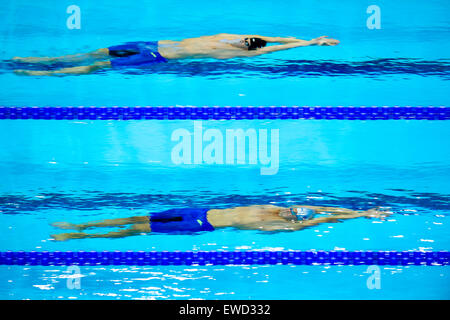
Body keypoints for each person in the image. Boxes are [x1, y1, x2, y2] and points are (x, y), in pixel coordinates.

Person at [13, 34, 339, 76]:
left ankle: (46, 72)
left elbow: (276, 47)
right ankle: (31, 61)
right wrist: (311, 38)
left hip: (155, 58)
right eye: (245, 39)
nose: (244, 41)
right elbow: (272, 38)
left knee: (99, 64)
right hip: (149, 44)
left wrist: (308, 46)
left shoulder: (230, 55)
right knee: (91, 52)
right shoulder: (227, 36)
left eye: (247, 44)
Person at [50, 204, 389, 241]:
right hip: (199, 209)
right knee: (136, 217)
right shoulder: (278, 207)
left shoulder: (284, 226)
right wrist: (360, 210)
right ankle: (82, 225)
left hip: (201, 226)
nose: (291, 212)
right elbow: (322, 207)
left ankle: (78, 238)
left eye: (295, 216)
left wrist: (360, 218)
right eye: (293, 210)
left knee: (139, 229)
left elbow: (324, 217)